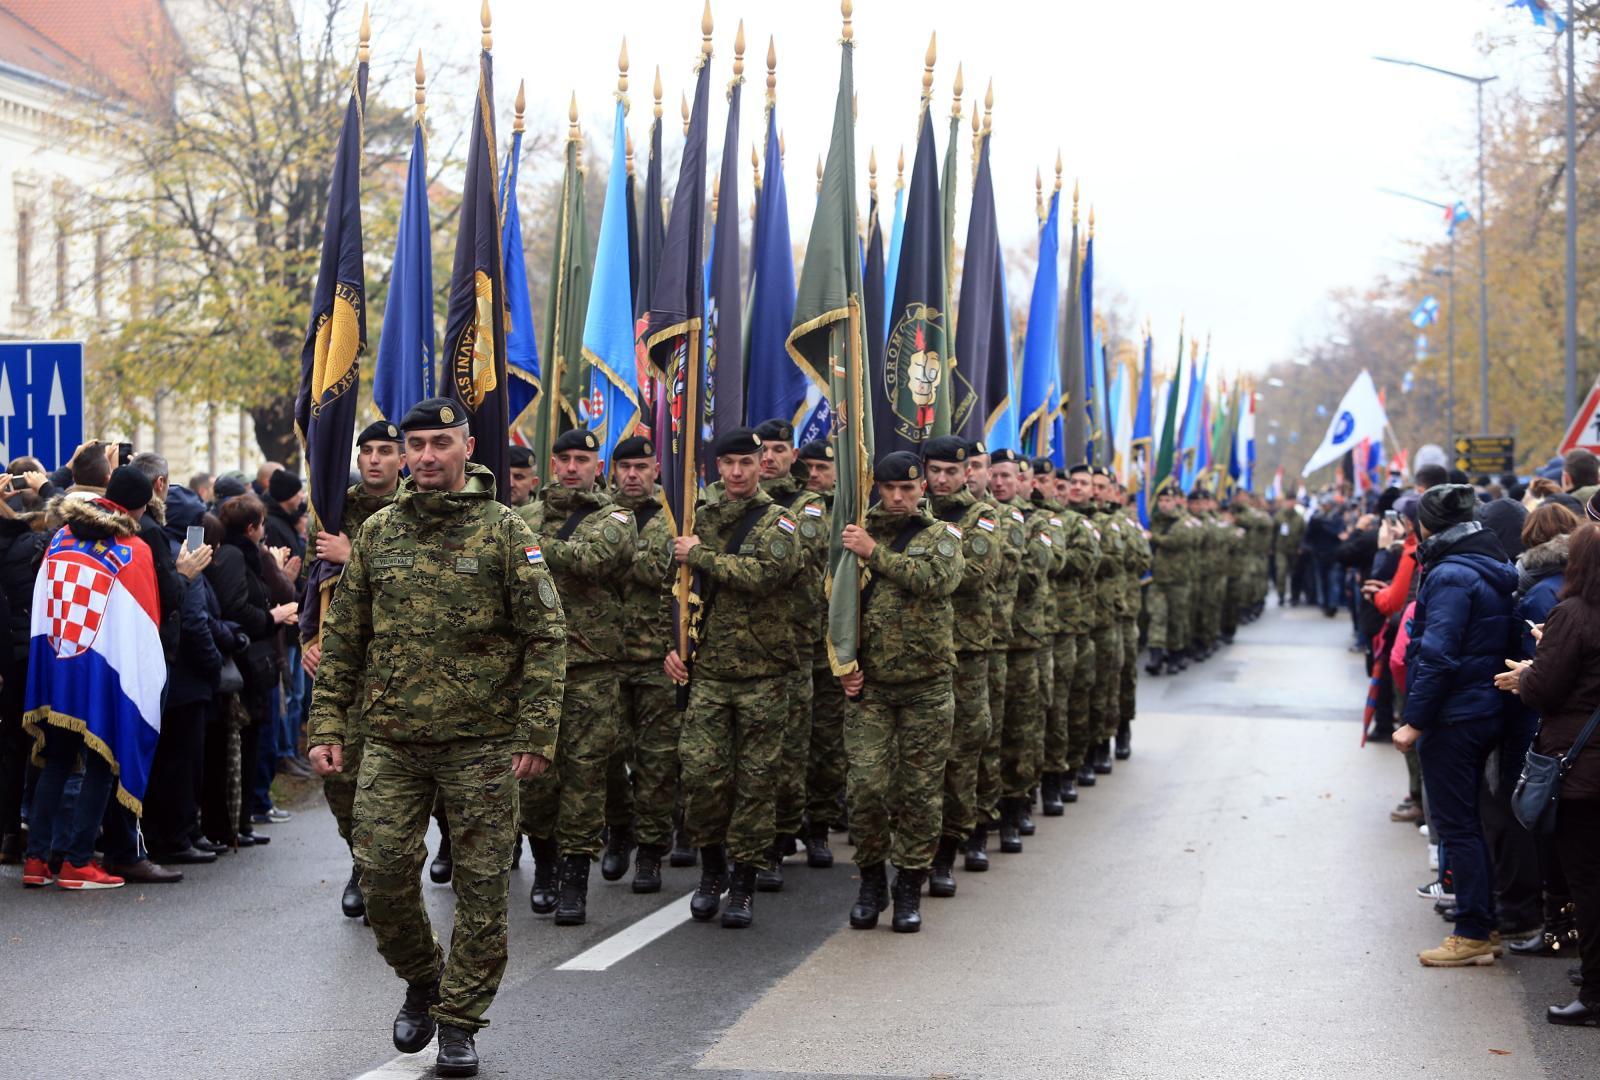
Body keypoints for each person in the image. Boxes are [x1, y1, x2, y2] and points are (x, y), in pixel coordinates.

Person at [308, 397, 567, 1077]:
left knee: (482, 889)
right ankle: (424, 979)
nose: (425, 456)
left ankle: (459, 1021)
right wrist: (327, 722)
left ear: (467, 448)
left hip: (482, 744)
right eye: (415, 445)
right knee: (382, 874)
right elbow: (345, 638)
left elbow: (545, 636)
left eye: (439, 443)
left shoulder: (505, 530)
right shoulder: (379, 532)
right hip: (393, 741)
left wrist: (537, 731)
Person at [666, 426, 801, 929]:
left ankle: (744, 882)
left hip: (763, 673)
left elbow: (766, 574)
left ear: (761, 464)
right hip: (708, 673)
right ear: (717, 467)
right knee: (702, 776)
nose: (738, 472)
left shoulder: (779, 521)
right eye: (729, 464)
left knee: (756, 783)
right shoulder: (696, 518)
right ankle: (711, 870)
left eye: (747, 462)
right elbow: (673, 589)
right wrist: (671, 647)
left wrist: (699, 555)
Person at [21, 467, 166, 891]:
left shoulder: (61, 537)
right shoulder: (132, 548)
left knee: (57, 761)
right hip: (103, 674)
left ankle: (36, 860)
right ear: (140, 507)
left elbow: (44, 602)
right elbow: (145, 624)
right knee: (102, 763)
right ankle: (78, 862)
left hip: (59, 665)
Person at [1393, 484, 1517, 967]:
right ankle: (1483, 924)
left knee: (1457, 826)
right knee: (1470, 822)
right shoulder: (1486, 562)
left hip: (1455, 715)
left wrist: (1415, 721)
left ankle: (1472, 932)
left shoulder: (1449, 574)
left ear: (1427, 525)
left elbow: (1438, 656)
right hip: (1481, 707)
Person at [842, 451, 962, 932]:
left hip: (926, 687)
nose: (897, 497)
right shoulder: (852, 532)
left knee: (920, 792)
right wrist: (842, 665)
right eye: (889, 488)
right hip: (870, 686)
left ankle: (910, 883)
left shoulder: (942, 535)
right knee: (865, 787)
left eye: (907, 489)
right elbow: (831, 601)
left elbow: (936, 580)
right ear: (877, 488)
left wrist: (874, 552)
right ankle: (872, 879)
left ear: (922, 490)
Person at [517, 427, 633, 926]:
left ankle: (574, 879)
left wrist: (529, 547)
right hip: (533, 669)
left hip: (591, 669)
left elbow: (594, 560)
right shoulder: (525, 516)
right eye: (563, 458)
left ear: (597, 468)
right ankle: (544, 863)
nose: (571, 467)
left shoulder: (616, 518)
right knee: (534, 780)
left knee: (585, 777)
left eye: (581, 460)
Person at [1497, 522, 1600, 1025]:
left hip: (1582, 770)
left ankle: (1596, 994)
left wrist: (1527, 673)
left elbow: (1546, 690)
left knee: (1589, 882)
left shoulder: (1573, 614)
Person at [302, 419, 405, 917]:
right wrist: (308, 638)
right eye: (367, 450)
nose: (374, 459)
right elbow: (311, 582)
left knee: (401, 783)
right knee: (341, 777)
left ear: (402, 459)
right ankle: (363, 863)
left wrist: (354, 554)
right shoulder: (332, 510)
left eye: (385, 450)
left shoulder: (418, 509)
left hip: (406, 668)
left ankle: (400, 862)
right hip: (348, 666)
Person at [750, 417, 828, 892]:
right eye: (763, 450)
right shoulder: (726, 501)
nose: (770, 458)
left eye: (779, 450)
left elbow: (799, 550)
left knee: (791, 749)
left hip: (794, 645)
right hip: (740, 647)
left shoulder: (808, 505)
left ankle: (783, 837)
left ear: (792, 456)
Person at [1503, 501, 1582, 959]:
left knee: (1551, 830)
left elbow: (1547, 680)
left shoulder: (1546, 597)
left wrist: (1525, 674)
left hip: (1556, 734)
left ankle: (1558, 931)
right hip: (1574, 734)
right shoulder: (1568, 591)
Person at [921, 436, 998, 897]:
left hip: (965, 650)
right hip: (917, 650)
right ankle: (916, 849)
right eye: (935, 470)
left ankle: (950, 848)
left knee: (960, 753)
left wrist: (916, 566)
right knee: (917, 758)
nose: (943, 479)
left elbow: (974, 572)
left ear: (966, 472)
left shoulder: (981, 516)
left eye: (952, 471)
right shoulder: (910, 511)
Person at [601, 435, 677, 893]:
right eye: (625, 467)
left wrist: (614, 557)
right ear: (614, 471)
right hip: (606, 658)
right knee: (608, 756)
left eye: (641, 467)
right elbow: (587, 564)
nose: (632, 475)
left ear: (655, 470)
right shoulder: (598, 513)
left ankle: (650, 849)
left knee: (656, 762)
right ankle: (619, 826)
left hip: (657, 659)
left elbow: (663, 571)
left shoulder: (674, 515)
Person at [798, 438, 845, 867]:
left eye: (822, 468)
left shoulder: (848, 512)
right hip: (791, 643)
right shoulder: (789, 510)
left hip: (831, 644)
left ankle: (819, 826)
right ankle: (784, 825)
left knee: (827, 743)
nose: (813, 475)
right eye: (808, 466)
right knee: (788, 742)